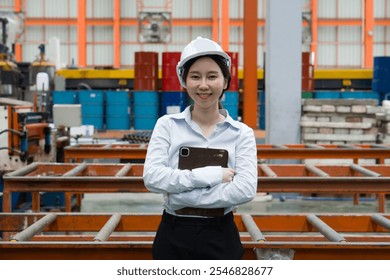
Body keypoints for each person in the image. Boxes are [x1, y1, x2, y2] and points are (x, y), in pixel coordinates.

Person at [142, 36, 258, 260]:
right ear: (184, 81)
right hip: (173, 235)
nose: (203, 85)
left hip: (220, 235)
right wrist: (208, 176)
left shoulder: (241, 133)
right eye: (195, 76)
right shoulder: (167, 125)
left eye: (212, 76)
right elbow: (153, 178)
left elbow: (244, 190)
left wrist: (180, 195)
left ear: (225, 82)